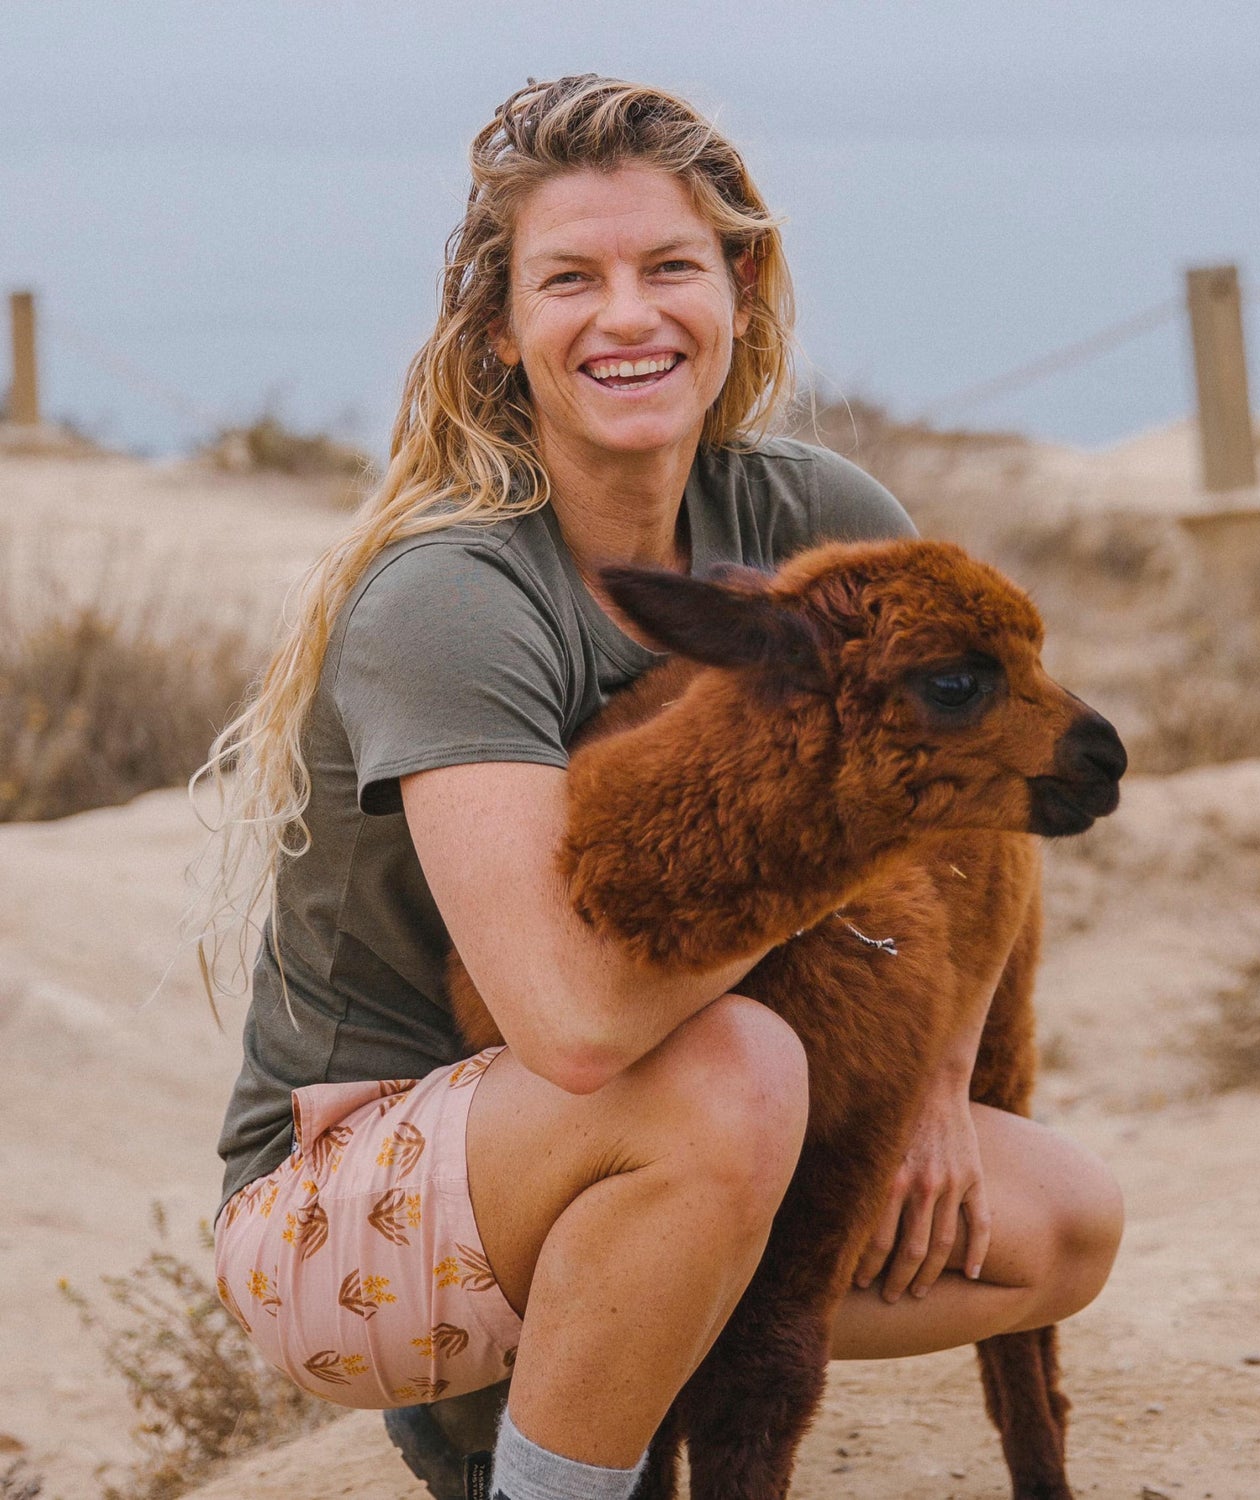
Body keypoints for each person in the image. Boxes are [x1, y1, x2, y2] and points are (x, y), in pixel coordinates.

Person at [207, 75, 1123, 1500]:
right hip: (347, 1218)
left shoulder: (818, 525)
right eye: (571, 278)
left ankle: (638, 1351)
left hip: (648, 1143)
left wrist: (941, 1080)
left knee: (1064, 1220)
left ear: (741, 289)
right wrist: (848, 823)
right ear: (501, 326)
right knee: (739, 1070)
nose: (628, 316)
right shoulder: (453, 601)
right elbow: (571, 1030)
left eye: (671, 267)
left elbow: (971, 810)